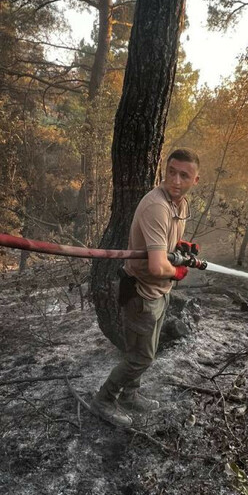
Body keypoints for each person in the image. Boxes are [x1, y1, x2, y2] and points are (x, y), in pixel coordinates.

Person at [91, 148, 201, 428]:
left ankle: (130, 394)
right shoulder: (157, 207)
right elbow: (155, 267)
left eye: (184, 175)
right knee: (141, 357)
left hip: (160, 292)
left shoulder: (181, 205)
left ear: (195, 180)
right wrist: (177, 271)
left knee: (141, 350)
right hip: (143, 292)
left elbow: (166, 245)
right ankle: (104, 399)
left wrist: (180, 250)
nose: (175, 180)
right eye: (171, 172)